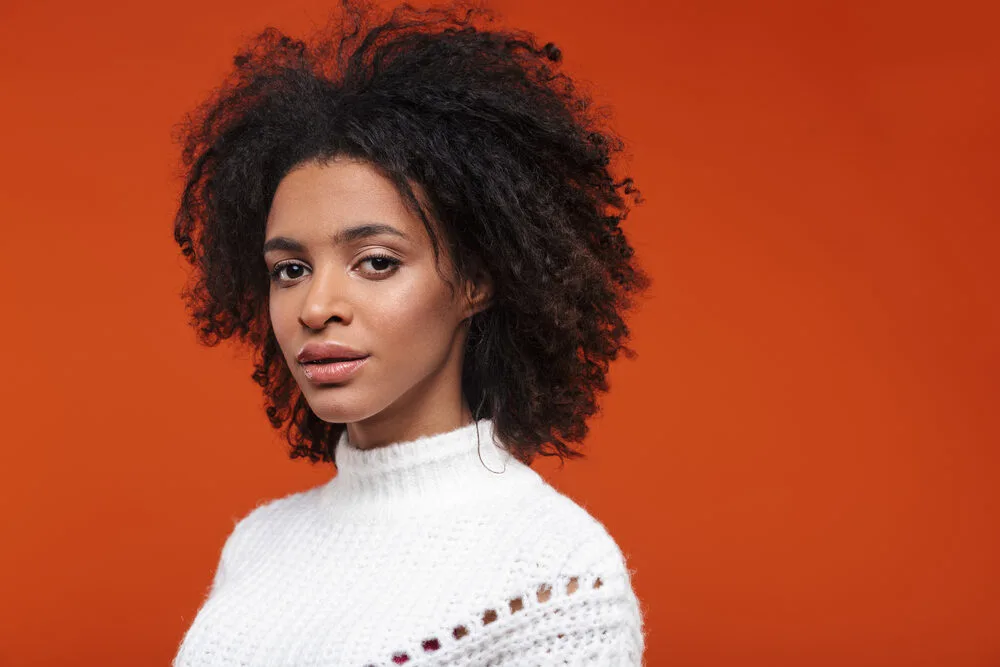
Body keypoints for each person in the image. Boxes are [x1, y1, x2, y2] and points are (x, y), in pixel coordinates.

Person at [170, 0, 651, 664]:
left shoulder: (555, 575)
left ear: (477, 280)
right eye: (290, 269)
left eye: (376, 262)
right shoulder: (259, 541)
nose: (317, 305)